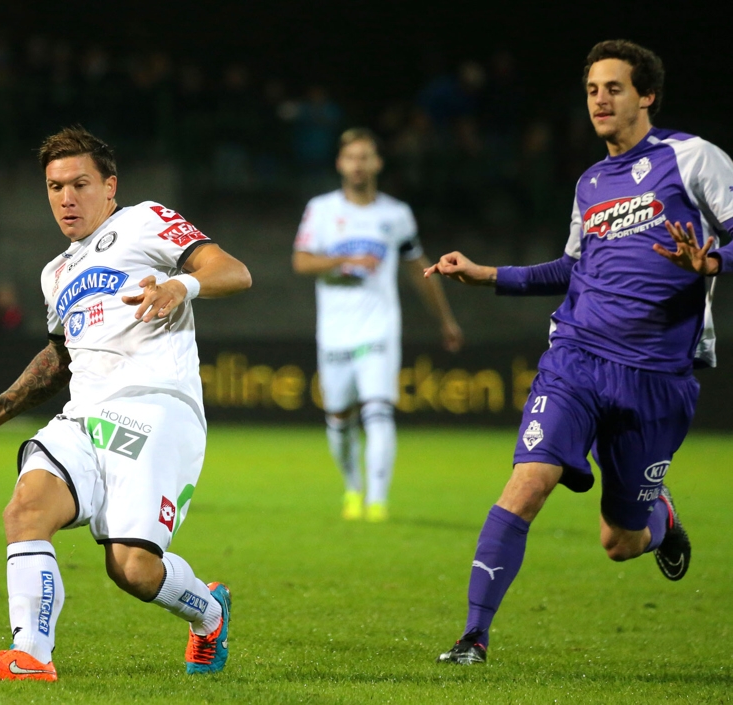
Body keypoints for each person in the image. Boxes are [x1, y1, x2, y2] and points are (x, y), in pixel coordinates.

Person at [426, 40, 733, 665]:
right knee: (527, 482)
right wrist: (486, 274)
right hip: (577, 357)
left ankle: (661, 521)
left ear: (646, 95)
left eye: (614, 88)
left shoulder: (693, 158)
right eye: (592, 89)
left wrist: (712, 260)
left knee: (620, 542)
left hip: (656, 376)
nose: (600, 99)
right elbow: (570, 268)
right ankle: (473, 637)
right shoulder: (590, 182)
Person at [0, 125, 251, 680]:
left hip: (155, 406)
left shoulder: (144, 220)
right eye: (55, 187)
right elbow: (59, 359)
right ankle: (31, 657)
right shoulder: (54, 273)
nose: (66, 198)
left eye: (79, 183)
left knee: (131, 569)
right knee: (26, 508)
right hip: (83, 416)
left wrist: (183, 286)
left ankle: (208, 613)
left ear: (110, 186)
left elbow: (233, 271)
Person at [293, 128, 463, 522]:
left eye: (365, 157)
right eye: (351, 157)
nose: (358, 164)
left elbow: (418, 269)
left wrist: (446, 321)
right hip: (334, 330)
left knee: (378, 408)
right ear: (340, 163)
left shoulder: (396, 215)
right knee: (338, 417)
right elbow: (301, 262)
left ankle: (377, 503)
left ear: (377, 163)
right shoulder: (321, 210)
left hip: (379, 327)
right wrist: (342, 263)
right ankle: (353, 489)